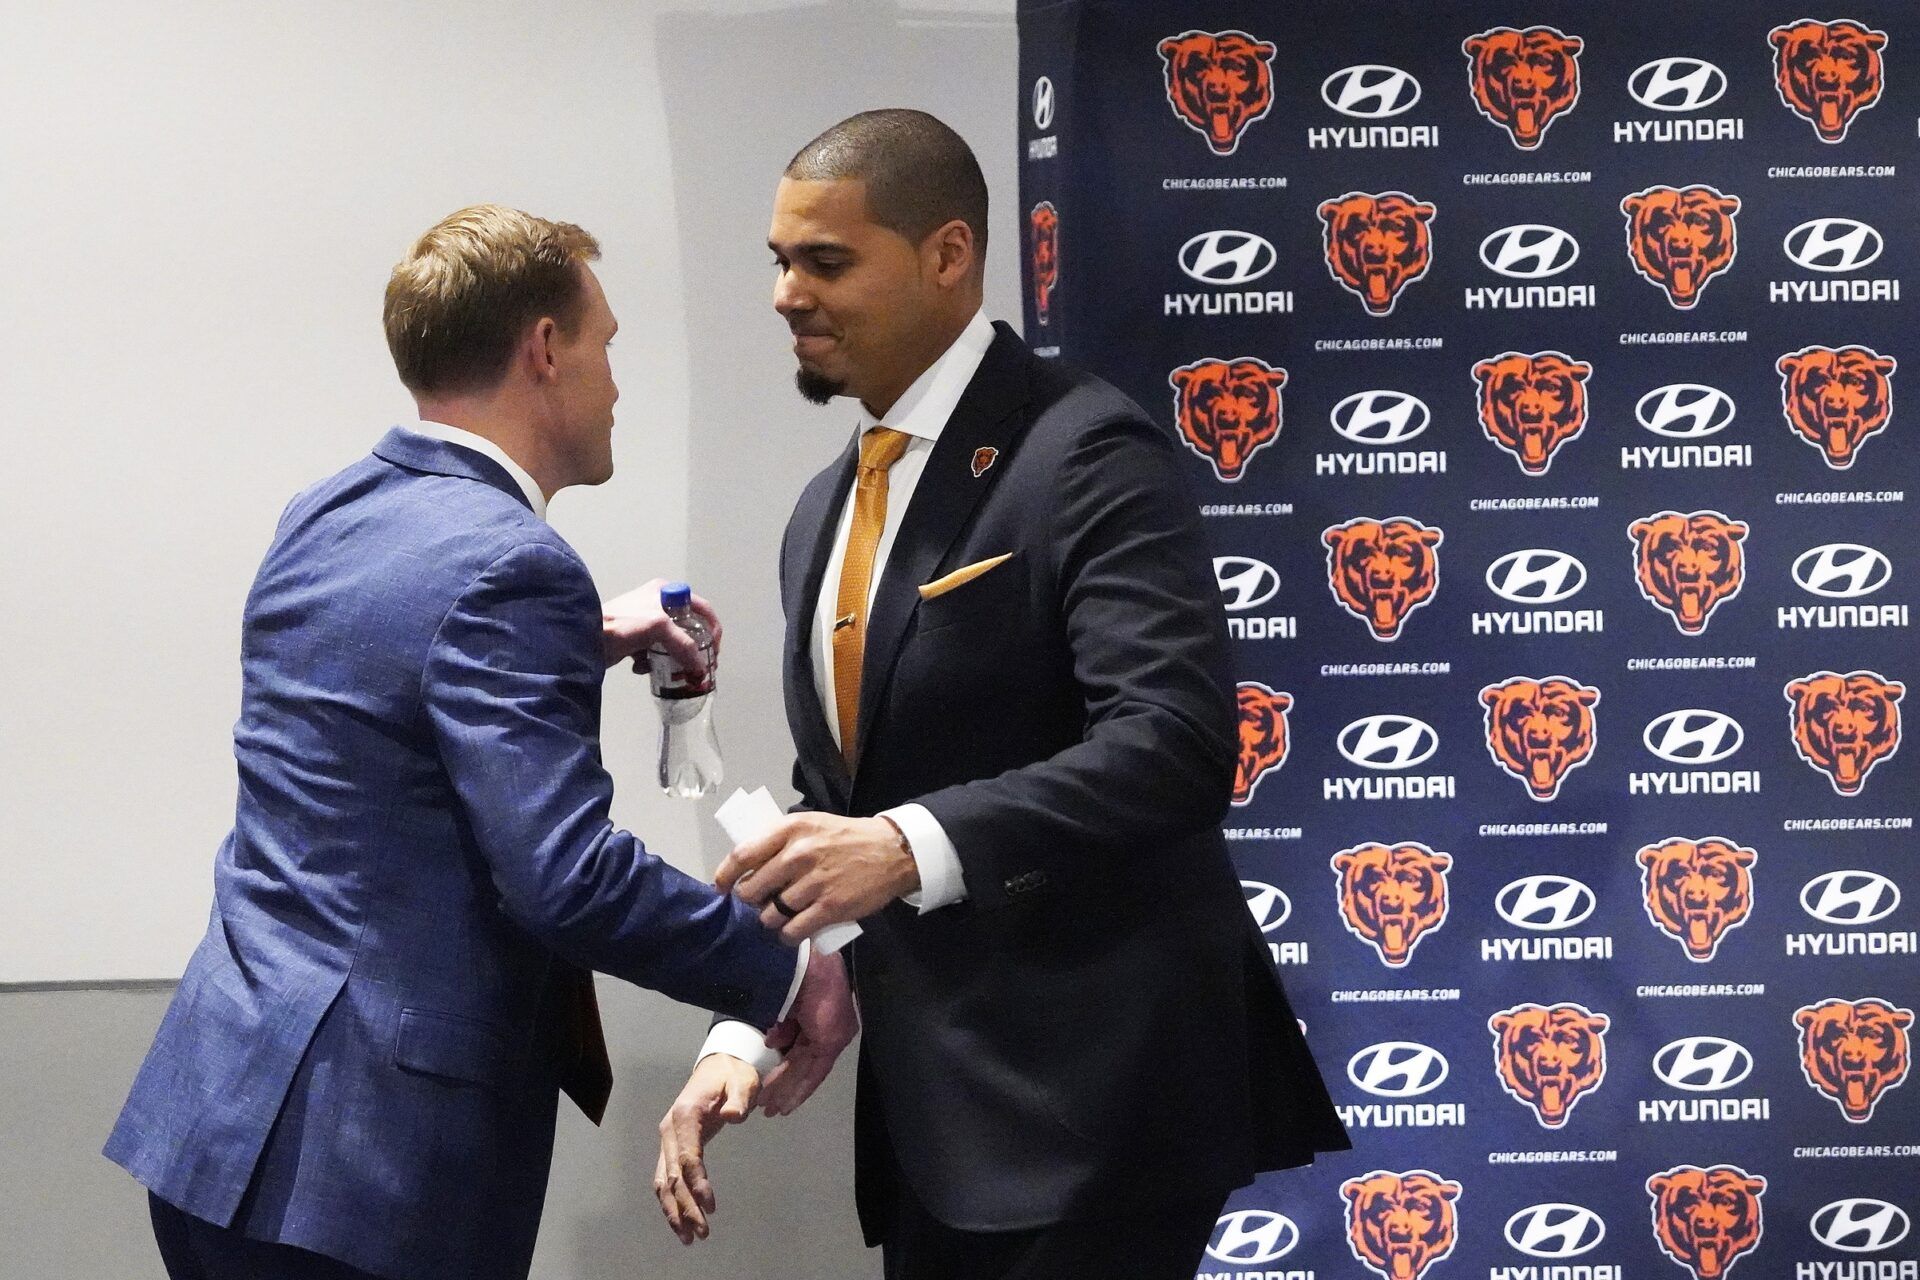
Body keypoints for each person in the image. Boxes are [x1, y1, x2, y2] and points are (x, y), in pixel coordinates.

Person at [103, 205, 855, 1280]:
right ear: (544, 350)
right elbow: (565, 878)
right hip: (366, 1179)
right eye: (605, 346)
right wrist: (783, 977)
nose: (616, 384)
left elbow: (376, 683)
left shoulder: (328, 510)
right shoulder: (515, 566)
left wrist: (588, 637)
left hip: (214, 1130)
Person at [657, 111, 1348, 1279]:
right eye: (779, 261)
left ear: (948, 255)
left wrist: (907, 843)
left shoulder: (1083, 448)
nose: (786, 294)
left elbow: (1175, 740)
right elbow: (841, 817)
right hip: (940, 1132)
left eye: (826, 260)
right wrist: (745, 1026)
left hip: (1098, 1115)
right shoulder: (821, 514)